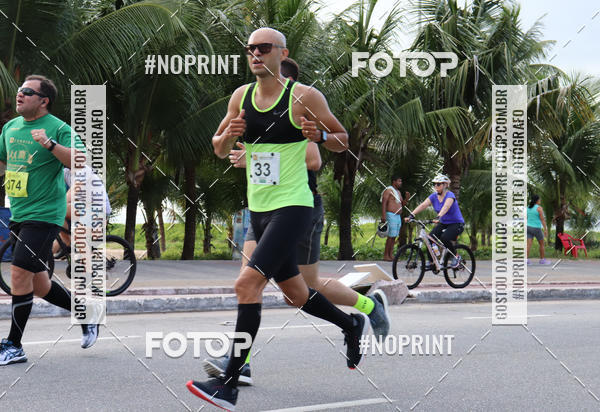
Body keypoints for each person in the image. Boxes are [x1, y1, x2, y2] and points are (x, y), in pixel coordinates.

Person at [186, 28, 368, 411]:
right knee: (296, 295)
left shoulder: (303, 97)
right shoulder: (240, 97)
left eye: (264, 48)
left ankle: (229, 385)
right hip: (260, 210)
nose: (255, 53)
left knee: (246, 284)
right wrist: (228, 136)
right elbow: (218, 148)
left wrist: (320, 136)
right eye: (250, 48)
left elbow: (342, 139)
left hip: (294, 207)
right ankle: (351, 325)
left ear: (282, 53)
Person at [0, 75, 98, 365]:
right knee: (40, 285)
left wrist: (49, 144)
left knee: (19, 273)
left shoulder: (58, 128)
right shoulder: (10, 127)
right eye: (19, 90)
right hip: (19, 213)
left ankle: (14, 345)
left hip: (44, 215)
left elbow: (80, 160)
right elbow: (3, 162)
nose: (19, 94)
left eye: (27, 91)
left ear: (44, 101)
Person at [406, 174, 465, 268]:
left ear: (445, 185)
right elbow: (423, 205)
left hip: (456, 223)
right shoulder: (433, 196)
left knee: (445, 238)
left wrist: (438, 217)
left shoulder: (450, 195)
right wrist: (412, 215)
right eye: (434, 184)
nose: (436, 186)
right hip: (444, 223)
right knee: (430, 239)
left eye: (438, 184)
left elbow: (446, 207)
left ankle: (456, 256)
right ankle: (432, 262)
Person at [53, 165, 112, 255]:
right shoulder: (66, 172)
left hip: (99, 211)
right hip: (85, 208)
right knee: (58, 215)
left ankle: (84, 256)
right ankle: (67, 244)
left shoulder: (84, 170)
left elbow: (71, 194)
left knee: (60, 210)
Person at [380, 175, 408, 261]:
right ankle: (386, 255)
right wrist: (383, 215)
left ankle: (390, 255)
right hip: (390, 215)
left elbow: (402, 204)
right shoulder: (388, 190)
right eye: (399, 181)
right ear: (394, 181)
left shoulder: (398, 192)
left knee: (394, 236)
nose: (400, 183)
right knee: (390, 236)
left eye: (401, 181)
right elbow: (384, 203)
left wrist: (407, 198)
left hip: (397, 216)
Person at [527, 194, 550, 265]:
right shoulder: (539, 208)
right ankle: (542, 260)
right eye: (539, 199)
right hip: (536, 228)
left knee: (528, 245)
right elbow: (542, 219)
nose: (540, 200)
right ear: (537, 200)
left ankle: (526, 260)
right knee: (542, 244)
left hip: (528, 227)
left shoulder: (528, 207)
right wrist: (545, 229)